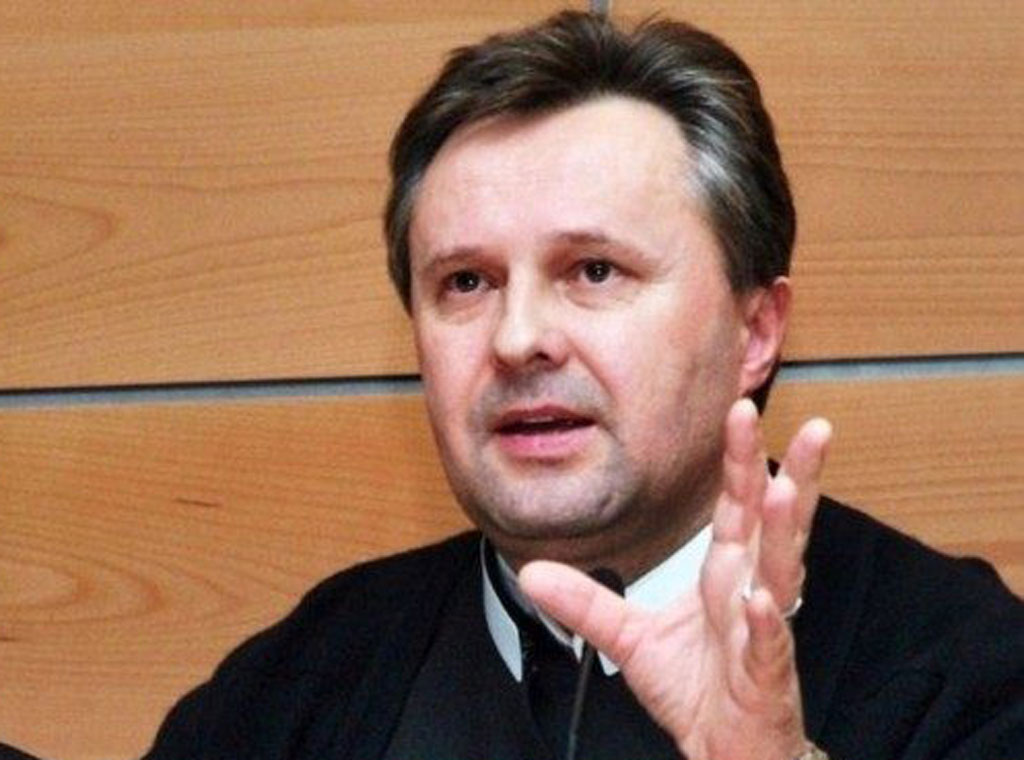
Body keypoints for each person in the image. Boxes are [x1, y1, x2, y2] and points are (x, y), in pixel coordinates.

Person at [139, 10, 1023, 760]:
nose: (518, 339)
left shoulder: (968, 674)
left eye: (594, 271)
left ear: (755, 332)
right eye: (467, 283)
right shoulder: (294, 690)